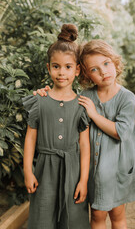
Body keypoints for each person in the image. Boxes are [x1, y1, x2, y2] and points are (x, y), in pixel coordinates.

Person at [34, 39, 135, 229]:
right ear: (85, 74)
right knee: (97, 217)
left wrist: (93, 114)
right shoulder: (86, 96)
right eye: (94, 69)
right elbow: (63, 101)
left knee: (117, 216)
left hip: (116, 171)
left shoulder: (126, 97)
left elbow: (121, 132)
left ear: (114, 61)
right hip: (92, 173)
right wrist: (44, 93)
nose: (103, 72)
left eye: (106, 63)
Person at [23, 24, 91, 229]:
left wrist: (83, 180)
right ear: (49, 67)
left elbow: (85, 146)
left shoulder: (82, 105)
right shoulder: (39, 101)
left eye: (68, 67)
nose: (62, 72)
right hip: (45, 170)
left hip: (73, 171)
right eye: (56, 66)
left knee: (73, 219)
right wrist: (28, 170)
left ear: (77, 69)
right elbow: (30, 138)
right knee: (42, 217)